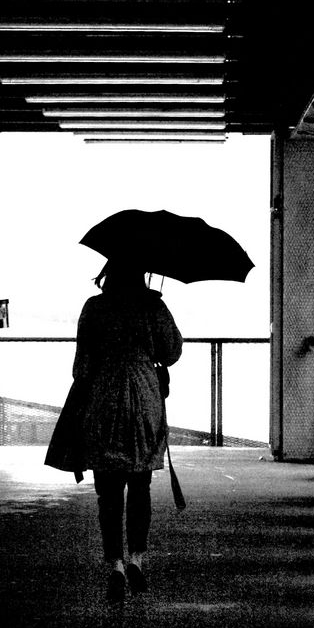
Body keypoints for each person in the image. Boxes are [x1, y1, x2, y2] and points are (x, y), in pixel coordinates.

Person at [45, 258, 183, 602]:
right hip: (144, 398)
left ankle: (116, 566)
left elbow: (81, 366)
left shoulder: (95, 307)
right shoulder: (153, 305)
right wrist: (154, 313)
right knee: (140, 484)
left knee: (108, 490)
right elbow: (173, 352)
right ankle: (137, 557)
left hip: (103, 399)